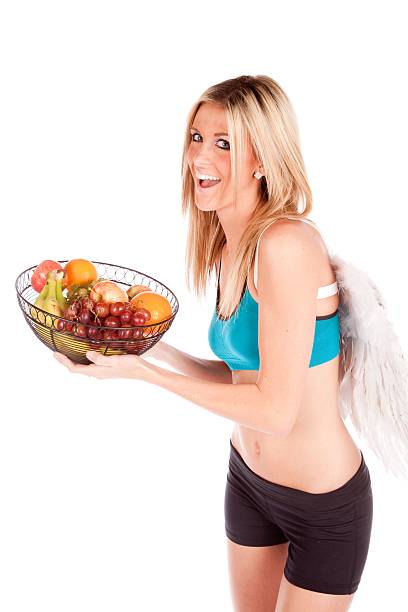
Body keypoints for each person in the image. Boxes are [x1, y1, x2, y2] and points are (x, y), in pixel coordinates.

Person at [53, 74, 373, 611]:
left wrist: (147, 376)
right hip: (249, 485)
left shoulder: (286, 245)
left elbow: (275, 410)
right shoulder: (228, 248)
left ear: (263, 160)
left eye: (225, 143)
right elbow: (240, 377)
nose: (201, 156)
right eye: (197, 138)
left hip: (324, 508)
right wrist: (143, 346)